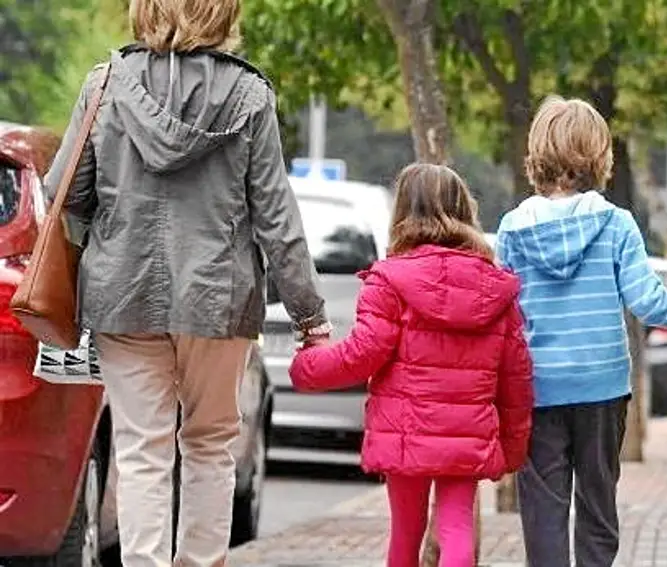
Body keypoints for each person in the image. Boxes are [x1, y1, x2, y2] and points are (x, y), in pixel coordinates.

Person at [43, 1, 331, 565]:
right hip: (217, 298)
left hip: (122, 293)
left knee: (142, 450)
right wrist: (309, 315)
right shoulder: (250, 95)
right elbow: (276, 217)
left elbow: (66, 195)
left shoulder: (105, 85)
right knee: (209, 443)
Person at [495, 96, 667, 567]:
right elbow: (646, 301)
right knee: (598, 510)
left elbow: (506, 316)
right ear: (599, 156)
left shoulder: (512, 229)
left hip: (539, 388)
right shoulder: (615, 223)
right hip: (602, 389)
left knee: (543, 510)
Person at [289, 163, 534, 567]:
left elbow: (362, 354)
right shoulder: (495, 288)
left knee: (406, 529)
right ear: (464, 211)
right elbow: (516, 377)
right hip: (466, 431)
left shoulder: (389, 282)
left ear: (402, 211)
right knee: (457, 528)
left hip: (405, 429)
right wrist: (512, 447)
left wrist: (307, 366)